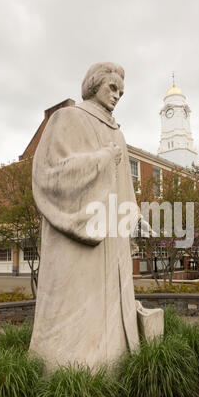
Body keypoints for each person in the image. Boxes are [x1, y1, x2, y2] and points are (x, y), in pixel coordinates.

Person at [29, 63, 140, 370]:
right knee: (76, 313)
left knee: (111, 316)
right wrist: (103, 159)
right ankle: (68, 375)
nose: (117, 96)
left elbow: (125, 189)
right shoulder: (68, 118)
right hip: (79, 243)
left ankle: (113, 364)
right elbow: (50, 173)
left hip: (112, 241)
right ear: (94, 86)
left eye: (121, 91)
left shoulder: (118, 132)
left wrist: (129, 216)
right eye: (112, 88)